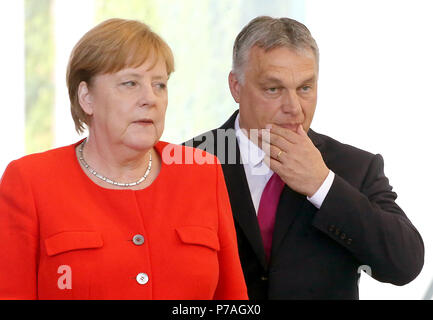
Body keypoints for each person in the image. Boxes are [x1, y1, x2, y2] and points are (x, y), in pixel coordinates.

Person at [0, 18, 248, 300]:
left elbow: (232, 299)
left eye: (160, 85)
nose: (150, 98)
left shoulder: (203, 172)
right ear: (87, 97)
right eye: (130, 83)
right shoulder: (30, 181)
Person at [186, 16, 424, 299]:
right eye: (273, 89)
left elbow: (404, 265)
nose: (294, 108)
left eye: (305, 88)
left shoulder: (356, 167)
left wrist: (322, 185)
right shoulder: (186, 161)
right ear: (236, 86)